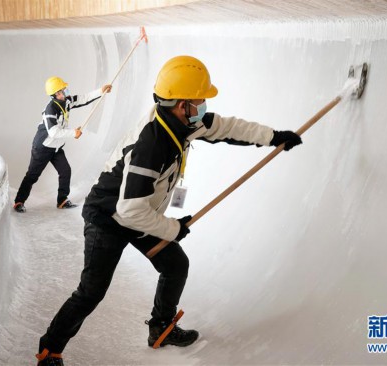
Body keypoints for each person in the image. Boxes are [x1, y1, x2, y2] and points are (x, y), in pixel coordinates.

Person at [35, 56, 302, 365]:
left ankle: (160, 327)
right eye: (198, 100)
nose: (203, 105)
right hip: (107, 217)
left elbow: (226, 127)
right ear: (181, 104)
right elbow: (130, 210)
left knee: (175, 265)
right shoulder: (153, 145)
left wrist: (273, 137)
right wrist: (174, 228)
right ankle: (49, 350)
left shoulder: (182, 121)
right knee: (91, 291)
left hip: (138, 210)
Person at [13, 77, 112, 213]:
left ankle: (62, 200)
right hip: (43, 147)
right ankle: (19, 201)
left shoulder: (66, 101)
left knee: (65, 171)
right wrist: (73, 133)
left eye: (63, 90)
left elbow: (83, 98)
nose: (64, 92)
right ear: (55, 95)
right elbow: (53, 132)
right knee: (32, 176)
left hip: (56, 147)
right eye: (61, 91)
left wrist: (101, 91)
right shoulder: (50, 109)